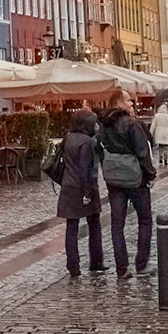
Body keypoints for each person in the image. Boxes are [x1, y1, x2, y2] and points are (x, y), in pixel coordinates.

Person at [99, 91, 157, 278]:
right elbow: (142, 152)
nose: (131, 103)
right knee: (145, 220)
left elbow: (100, 150)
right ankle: (141, 264)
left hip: (114, 180)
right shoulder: (132, 124)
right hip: (135, 180)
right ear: (119, 103)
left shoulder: (104, 126)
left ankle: (121, 268)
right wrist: (150, 175)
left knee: (117, 225)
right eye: (128, 101)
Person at [55, 111, 105, 277]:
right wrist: (88, 192)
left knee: (72, 227)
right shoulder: (86, 142)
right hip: (82, 187)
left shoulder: (68, 138)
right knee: (94, 223)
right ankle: (96, 261)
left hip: (68, 186)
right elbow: (85, 169)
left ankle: (73, 266)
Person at [151, 102, 168, 172]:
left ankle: (160, 158)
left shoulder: (156, 116)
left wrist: (150, 133)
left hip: (158, 133)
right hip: (165, 133)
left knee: (160, 147)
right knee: (166, 147)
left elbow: (153, 125)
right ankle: (166, 159)